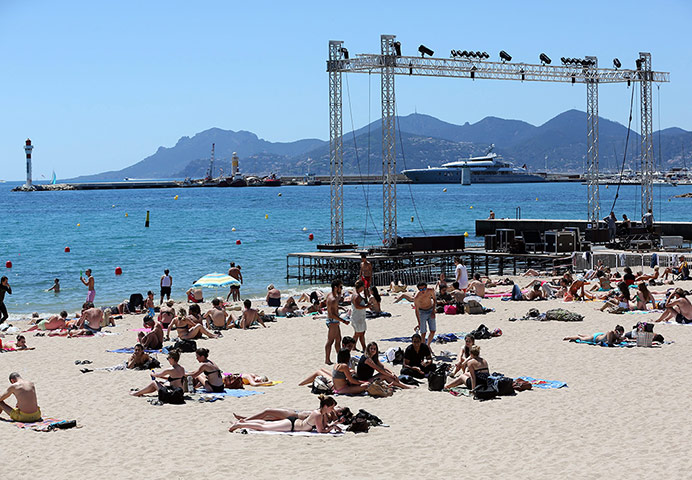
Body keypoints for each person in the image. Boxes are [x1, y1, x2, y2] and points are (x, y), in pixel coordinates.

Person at [229, 394, 341, 434]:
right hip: (292, 425)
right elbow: (321, 431)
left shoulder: (321, 413)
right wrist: (332, 427)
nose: (332, 410)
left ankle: (244, 422)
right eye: (331, 407)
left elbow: (324, 426)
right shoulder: (317, 414)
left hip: (294, 423)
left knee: (265, 422)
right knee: (263, 426)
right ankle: (239, 425)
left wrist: (334, 425)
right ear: (326, 406)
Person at [325, 279, 349, 365]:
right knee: (330, 340)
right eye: (340, 287)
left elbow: (333, 307)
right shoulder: (333, 299)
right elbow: (331, 314)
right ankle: (327, 359)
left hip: (334, 320)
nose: (341, 289)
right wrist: (343, 321)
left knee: (338, 339)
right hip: (332, 321)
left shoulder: (330, 296)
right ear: (336, 288)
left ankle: (340, 358)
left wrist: (341, 308)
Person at [413, 281, 436, 346]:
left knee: (433, 330)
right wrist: (419, 322)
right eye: (420, 289)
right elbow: (416, 310)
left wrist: (433, 311)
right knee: (423, 332)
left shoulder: (430, 290)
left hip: (430, 309)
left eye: (424, 289)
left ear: (426, 287)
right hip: (422, 312)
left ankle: (428, 345)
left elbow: (434, 299)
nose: (422, 291)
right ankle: (424, 346)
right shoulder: (417, 297)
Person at [350, 280, 368, 351]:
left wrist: (366, 293)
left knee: (359, 333)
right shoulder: (356, 296)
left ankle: (353, 346)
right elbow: (357, 306)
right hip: (358, 317)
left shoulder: (356, 294)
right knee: (360, 333)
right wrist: (367, 307)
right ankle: (364, 347)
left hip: (359, 317)